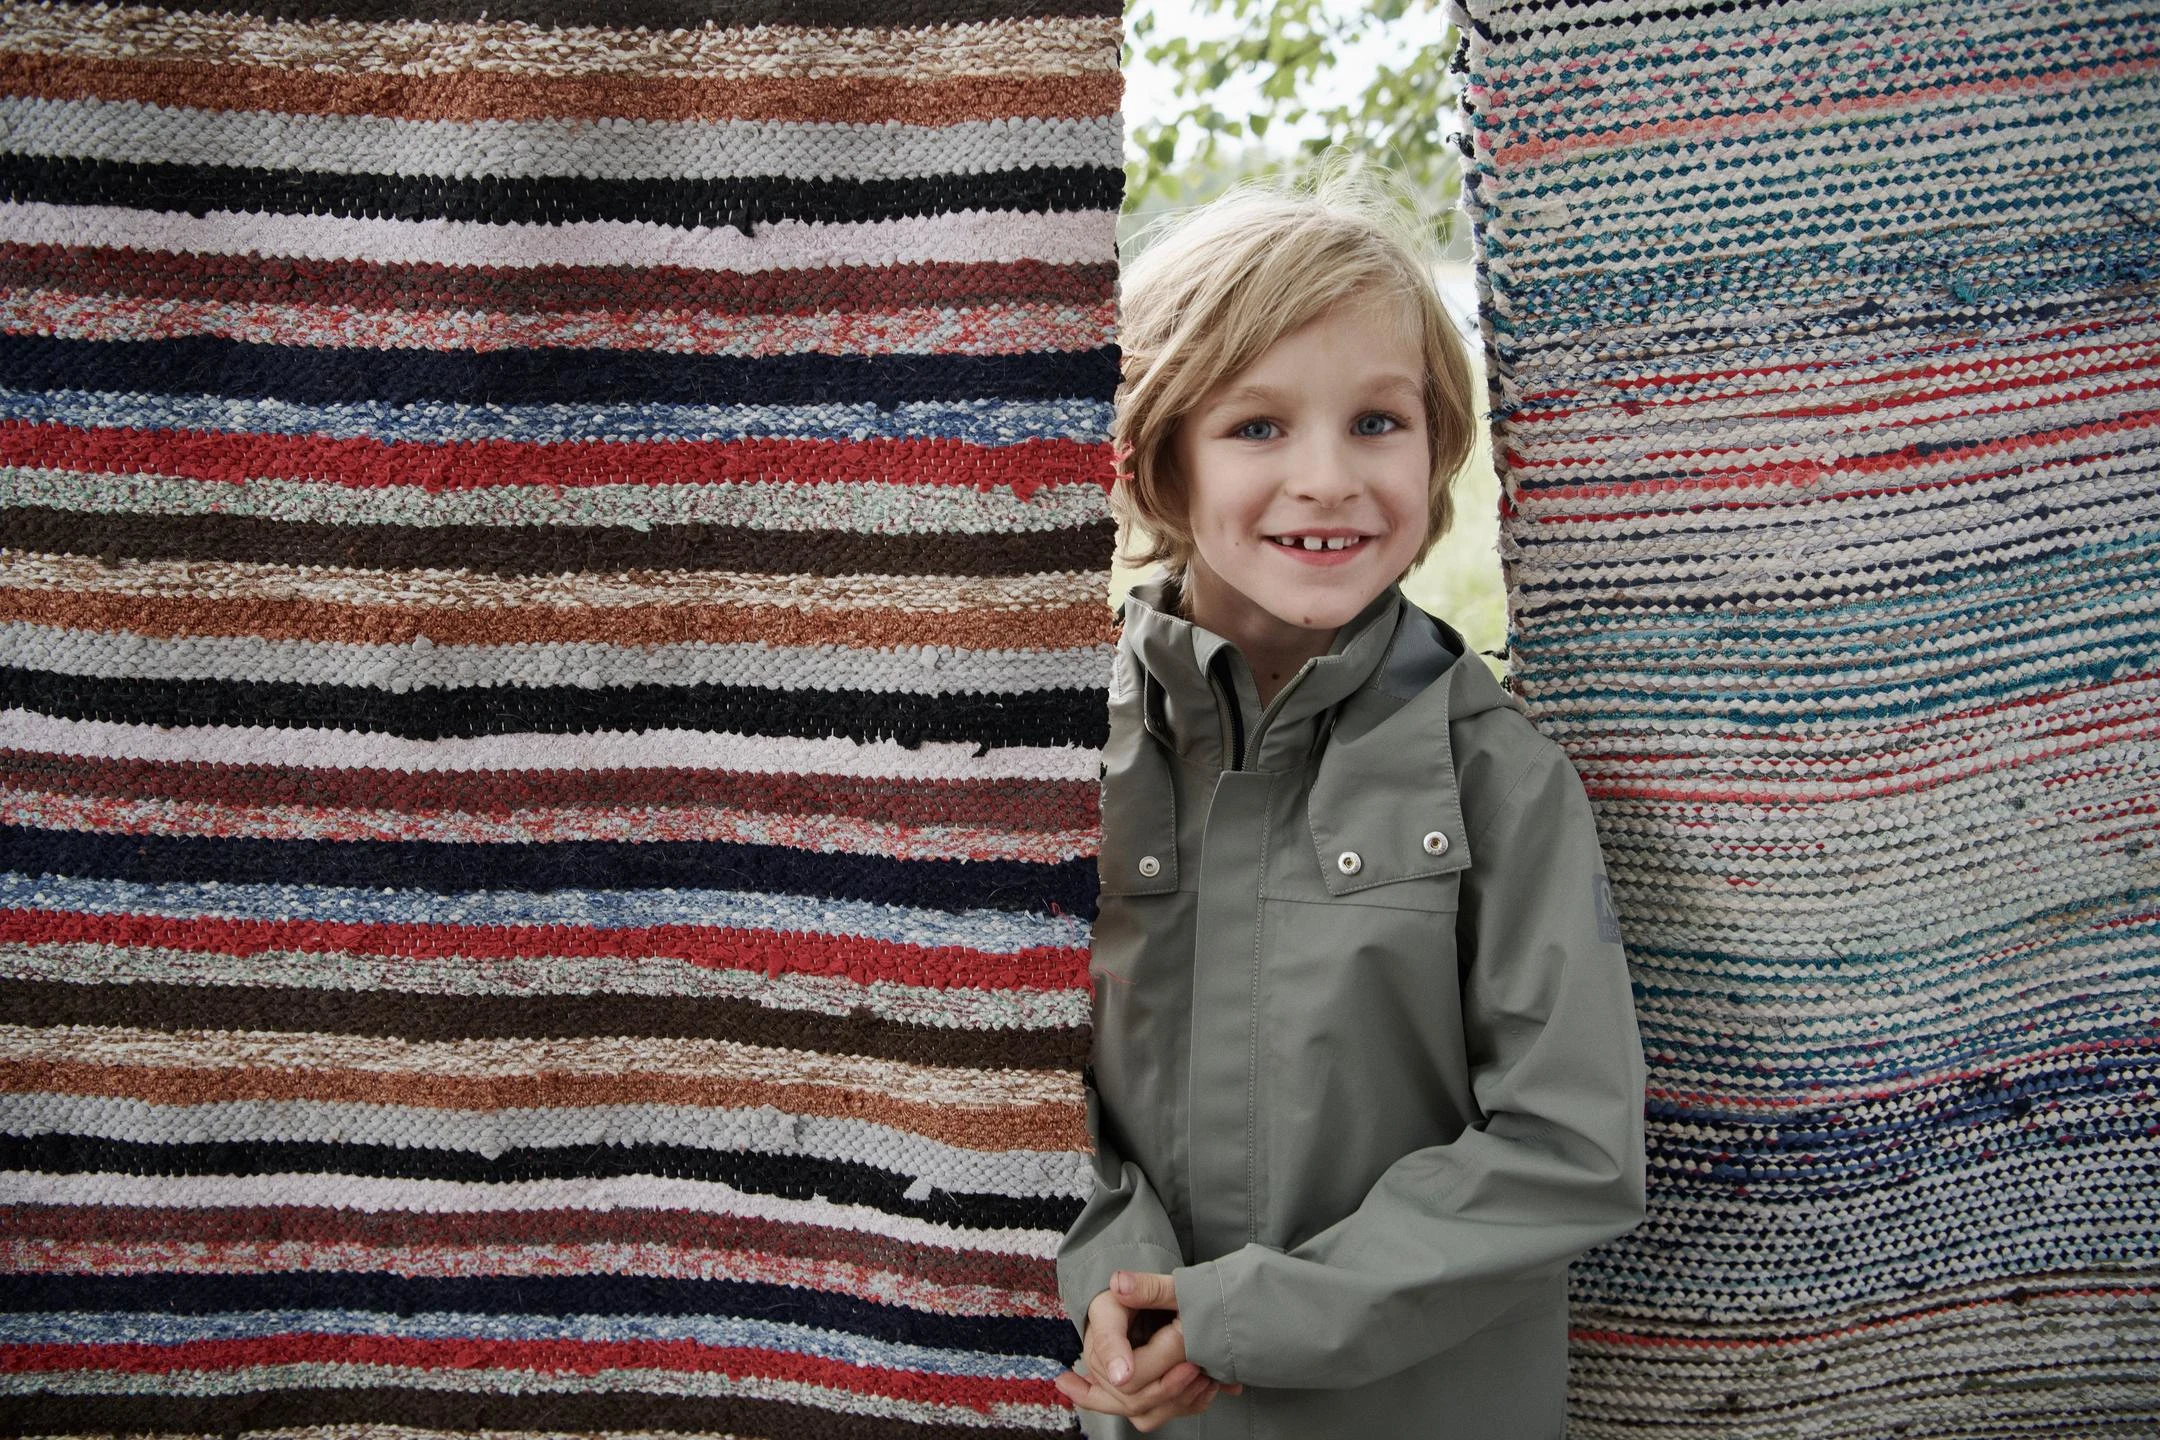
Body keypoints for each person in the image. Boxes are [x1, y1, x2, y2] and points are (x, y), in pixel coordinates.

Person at [1051, 164, 1649, 1438]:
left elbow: (1570, 1146)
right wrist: (1113, 1268)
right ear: (1158, 460)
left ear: (1439, 450)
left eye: (1377, 421)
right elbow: (1003, 1075)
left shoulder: (1498, 777)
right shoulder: (1060, 765)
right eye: (1257, 427)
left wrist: (1249, 1316)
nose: (1326, 477)